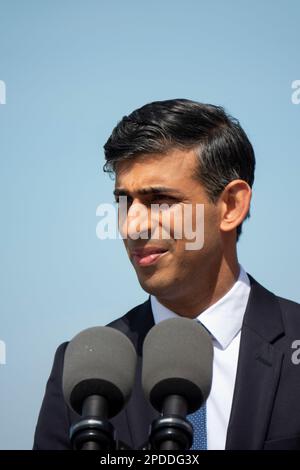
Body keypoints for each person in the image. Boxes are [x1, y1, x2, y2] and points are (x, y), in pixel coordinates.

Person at [33, 99, 300, 450]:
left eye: (159, 200)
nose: (132, 225)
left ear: (231, 206)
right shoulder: (85, 371)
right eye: (124, 202)